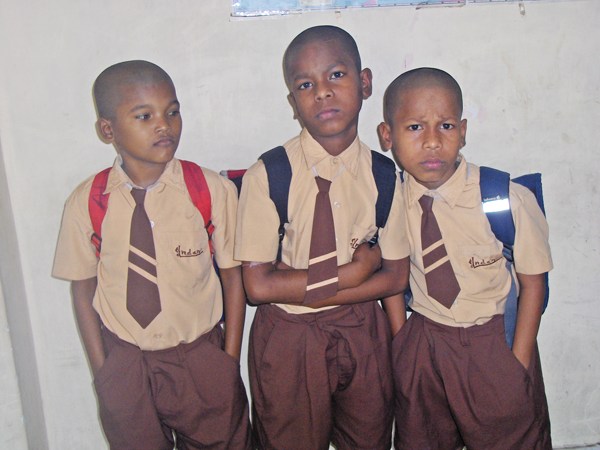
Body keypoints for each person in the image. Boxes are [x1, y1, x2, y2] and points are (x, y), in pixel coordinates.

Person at [52, 60, 252, 450]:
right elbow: (83, 288)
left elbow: (232, 276)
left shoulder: (209, 189)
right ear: (107, 130)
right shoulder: (87, 202)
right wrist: (105, 371)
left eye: (172, 112)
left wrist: (228, 361)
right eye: (144, 116)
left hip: (200, 356)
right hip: (126, 362)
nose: (164, 125)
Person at [235, 25, 410, 450]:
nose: (323, 92)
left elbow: (396, 277)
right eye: (305, 85)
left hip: (362, 329)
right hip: (288, 337)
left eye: (336, 75)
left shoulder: (384, 176)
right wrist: (353, 274)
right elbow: (258, 288)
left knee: (369, 437)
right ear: (293, 103)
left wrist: (299, 287)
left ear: (364, 83)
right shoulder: (269, 175)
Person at [377, 67, 553, 450]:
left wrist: (518, 362)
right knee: (422, 439)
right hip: (425, 340)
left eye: (446, 126)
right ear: (387, 136)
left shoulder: (504, 198)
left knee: (511, 438)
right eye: (414, 128)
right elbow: (392, 274)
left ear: (463, 131)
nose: (432, 142)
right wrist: (402, 342)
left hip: (492, 341)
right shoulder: (389, 202)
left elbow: (533, 283)